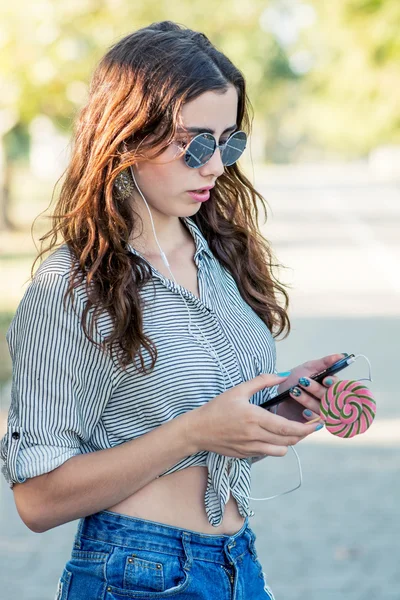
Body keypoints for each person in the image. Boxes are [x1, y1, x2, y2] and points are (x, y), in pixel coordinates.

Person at [0, 21, 343, 600]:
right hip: (139, 572)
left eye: (228, 142)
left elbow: (210, 432)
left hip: (237, 565)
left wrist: (270, 413)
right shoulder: (74, 284)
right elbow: (37, 499)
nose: (215, 166)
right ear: (127, 135)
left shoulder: (219, 255)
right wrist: (194, 433)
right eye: (195, 143)